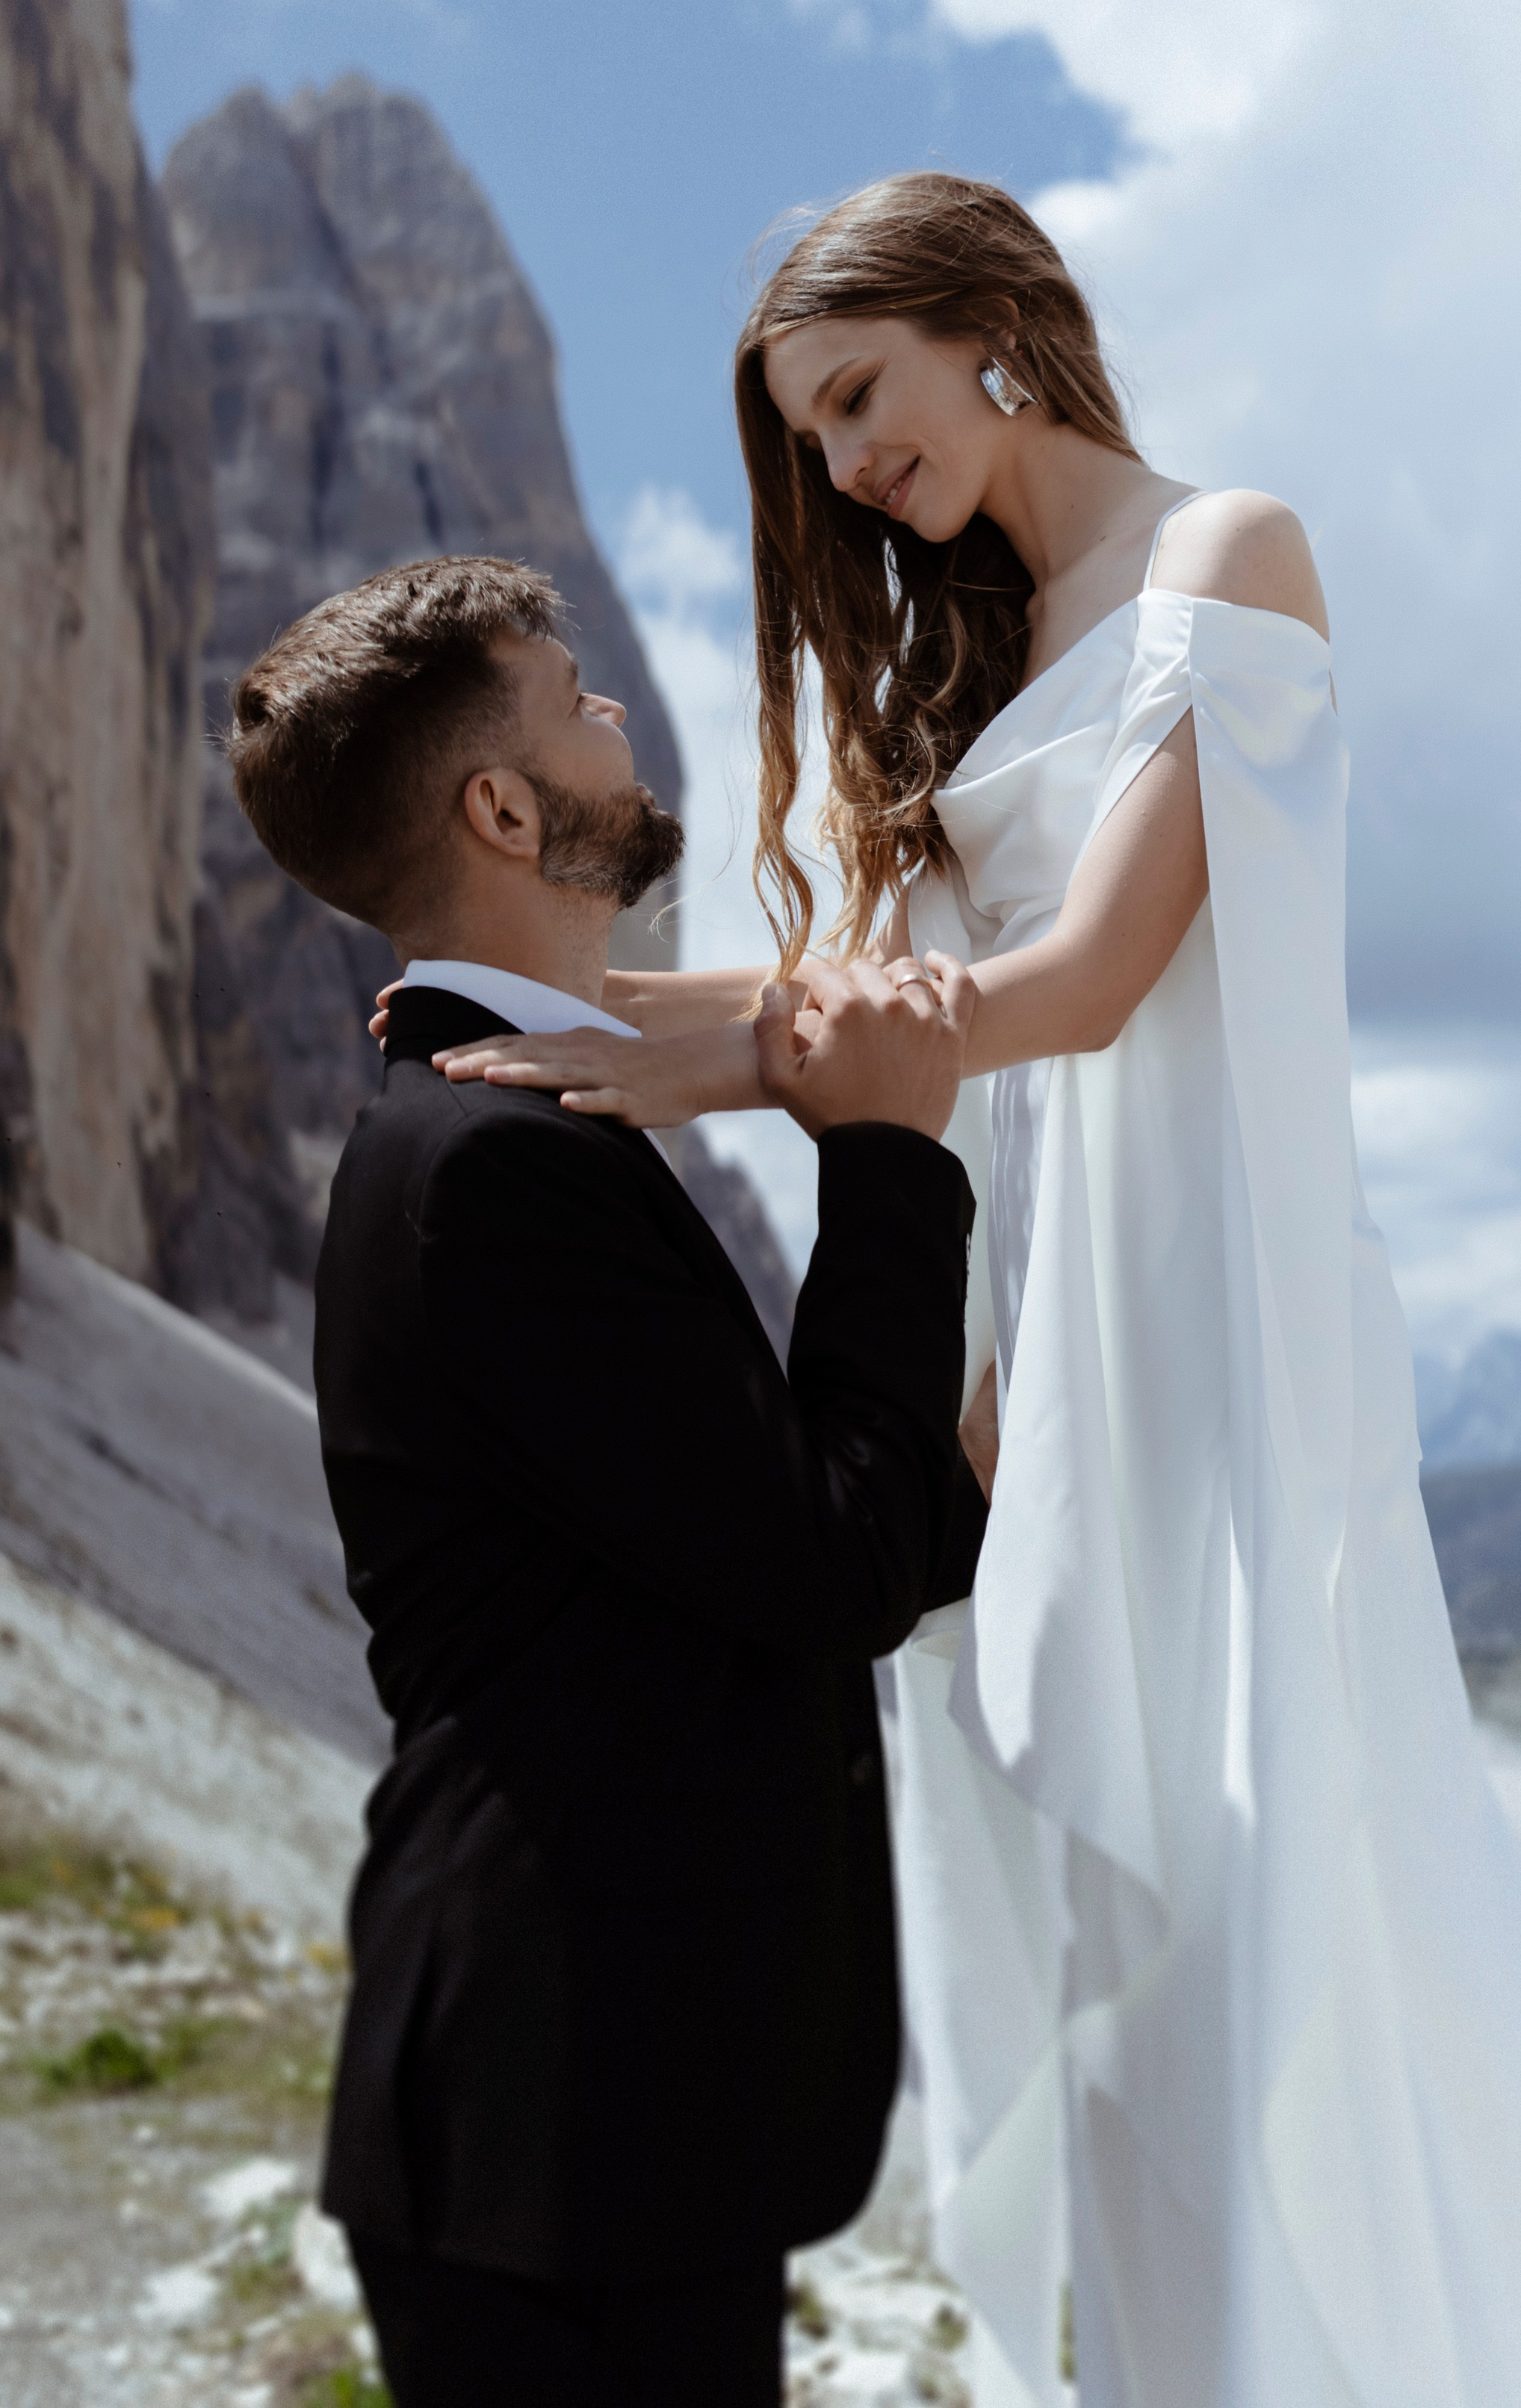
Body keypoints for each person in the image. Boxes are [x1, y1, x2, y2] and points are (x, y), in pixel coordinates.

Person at [429, 176, 1521, 2407]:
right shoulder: (978, 653)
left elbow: (1085, 981)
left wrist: (719, 1050)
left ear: (993, 323)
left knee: (1255, 1914)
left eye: (857, 399)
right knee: (1118, 1968)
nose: (840, 470)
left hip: (1210, 1327)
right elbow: (871, 988)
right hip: (1046, 1371)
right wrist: (534, 1014)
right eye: (808, 439)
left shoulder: (1235, 556)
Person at [224, 551, 989, 2408]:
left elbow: (710, 1548)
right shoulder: (487, 1167)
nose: (614, 714)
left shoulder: (493, 1119)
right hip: (558, 2130)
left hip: (588, 2122)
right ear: (500, 807)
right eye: (572, 699)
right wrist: (886, 1159)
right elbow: (826, 1554)